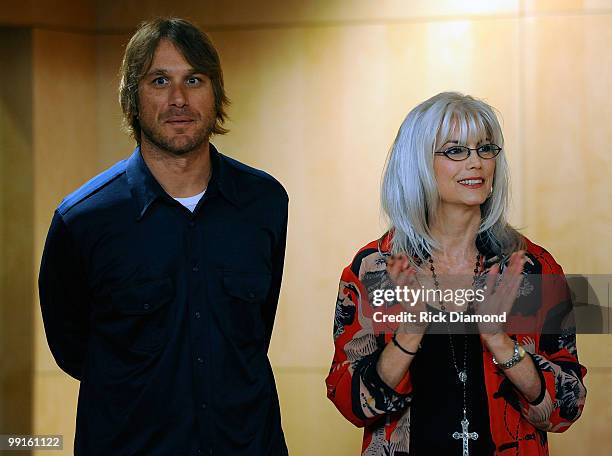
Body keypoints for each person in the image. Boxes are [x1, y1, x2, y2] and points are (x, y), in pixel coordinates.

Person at [38, 18, 288, 456]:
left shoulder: (264, 202)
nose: (179, 99)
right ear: (133, 98)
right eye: (160, 80)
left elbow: (255, 329)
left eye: (194, 79)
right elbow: (73, 350)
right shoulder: (84, 219)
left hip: (248, 442)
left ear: (216, 95)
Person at [325, 92, 586, 455]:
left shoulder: (534, 266)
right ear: (418, 164)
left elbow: (568, 407)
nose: (475, 162)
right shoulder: (374, 267)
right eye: (455, 150)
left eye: (485, 149)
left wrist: (499, 340)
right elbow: (348, 400)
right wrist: (409, 334)